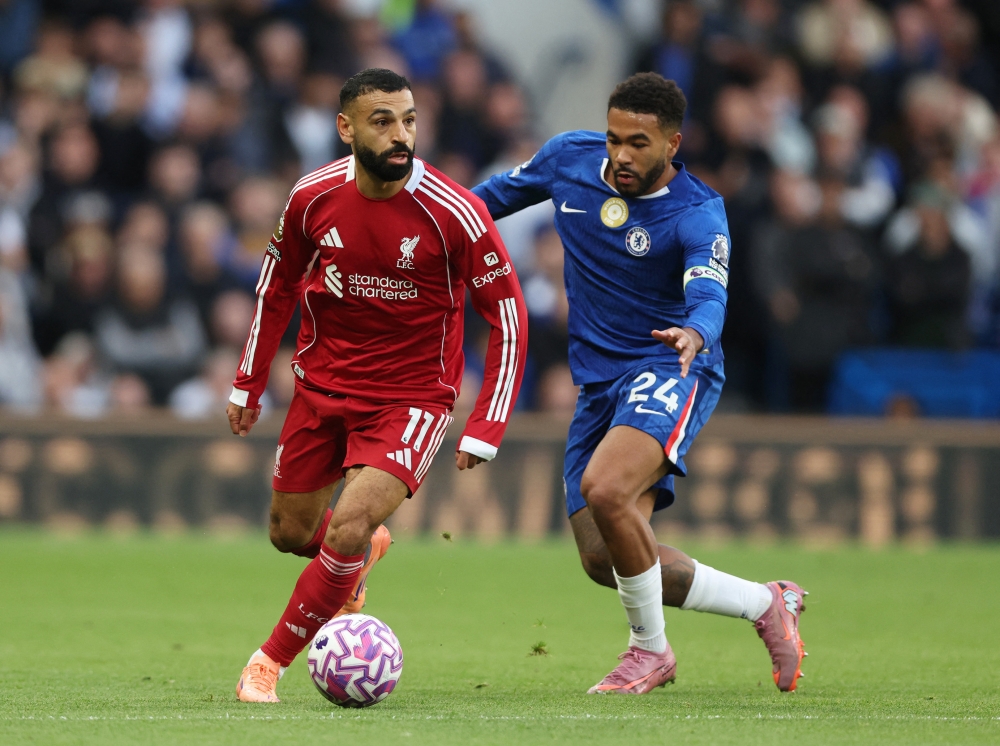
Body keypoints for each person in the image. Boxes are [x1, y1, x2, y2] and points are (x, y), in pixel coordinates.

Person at [472, 73, 807, 694]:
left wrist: (695, 334)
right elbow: (478, 204)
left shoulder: (697, 212)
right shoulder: (568, 158)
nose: (622, 155)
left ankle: (650, 652)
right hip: (598, 385)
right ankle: (766, 603)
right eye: (614, 138)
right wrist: (408, 221)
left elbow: (709, 296)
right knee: (605, 558)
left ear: (673, 144)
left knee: (605, 488)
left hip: (671, 366)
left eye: (639, 144)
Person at [226, 68, 527, 703]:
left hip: (410, 399)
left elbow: (506, 314)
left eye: (410, 120)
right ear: (346, 128)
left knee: (348, 524)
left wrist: (488, 422)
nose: (401, 135)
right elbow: (276, 286)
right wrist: (248, 382)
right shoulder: (312, 197)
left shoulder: (456, 212)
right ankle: (355, 562)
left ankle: (267, 664)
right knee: (288, 532)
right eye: (383, 121)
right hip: (321, 389)